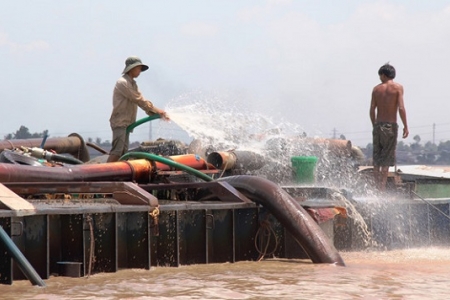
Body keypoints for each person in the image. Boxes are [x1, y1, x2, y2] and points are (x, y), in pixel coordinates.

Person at [107, 56, 170, 162]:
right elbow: (139, 100)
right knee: (117, 152)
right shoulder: (123, 83)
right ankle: (104, 173)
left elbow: (142, 101)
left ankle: (118, 175)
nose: (140, 71)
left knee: (123, 152)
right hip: (120, 122)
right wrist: (158, 111)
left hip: (127, 123)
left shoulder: (133, 84)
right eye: (138, 68)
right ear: (131, 68)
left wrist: (155, 113)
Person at [370, 63, 409, 191]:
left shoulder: (376, 89)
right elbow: (401, 108)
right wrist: (405, 126)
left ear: (383, 75)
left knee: (377, 158)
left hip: (378, 125)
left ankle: (376, 188)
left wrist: (374, 124)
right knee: (386, 159)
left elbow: (372, 109)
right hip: (390, 126)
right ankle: (381, 189)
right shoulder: (398, 88)